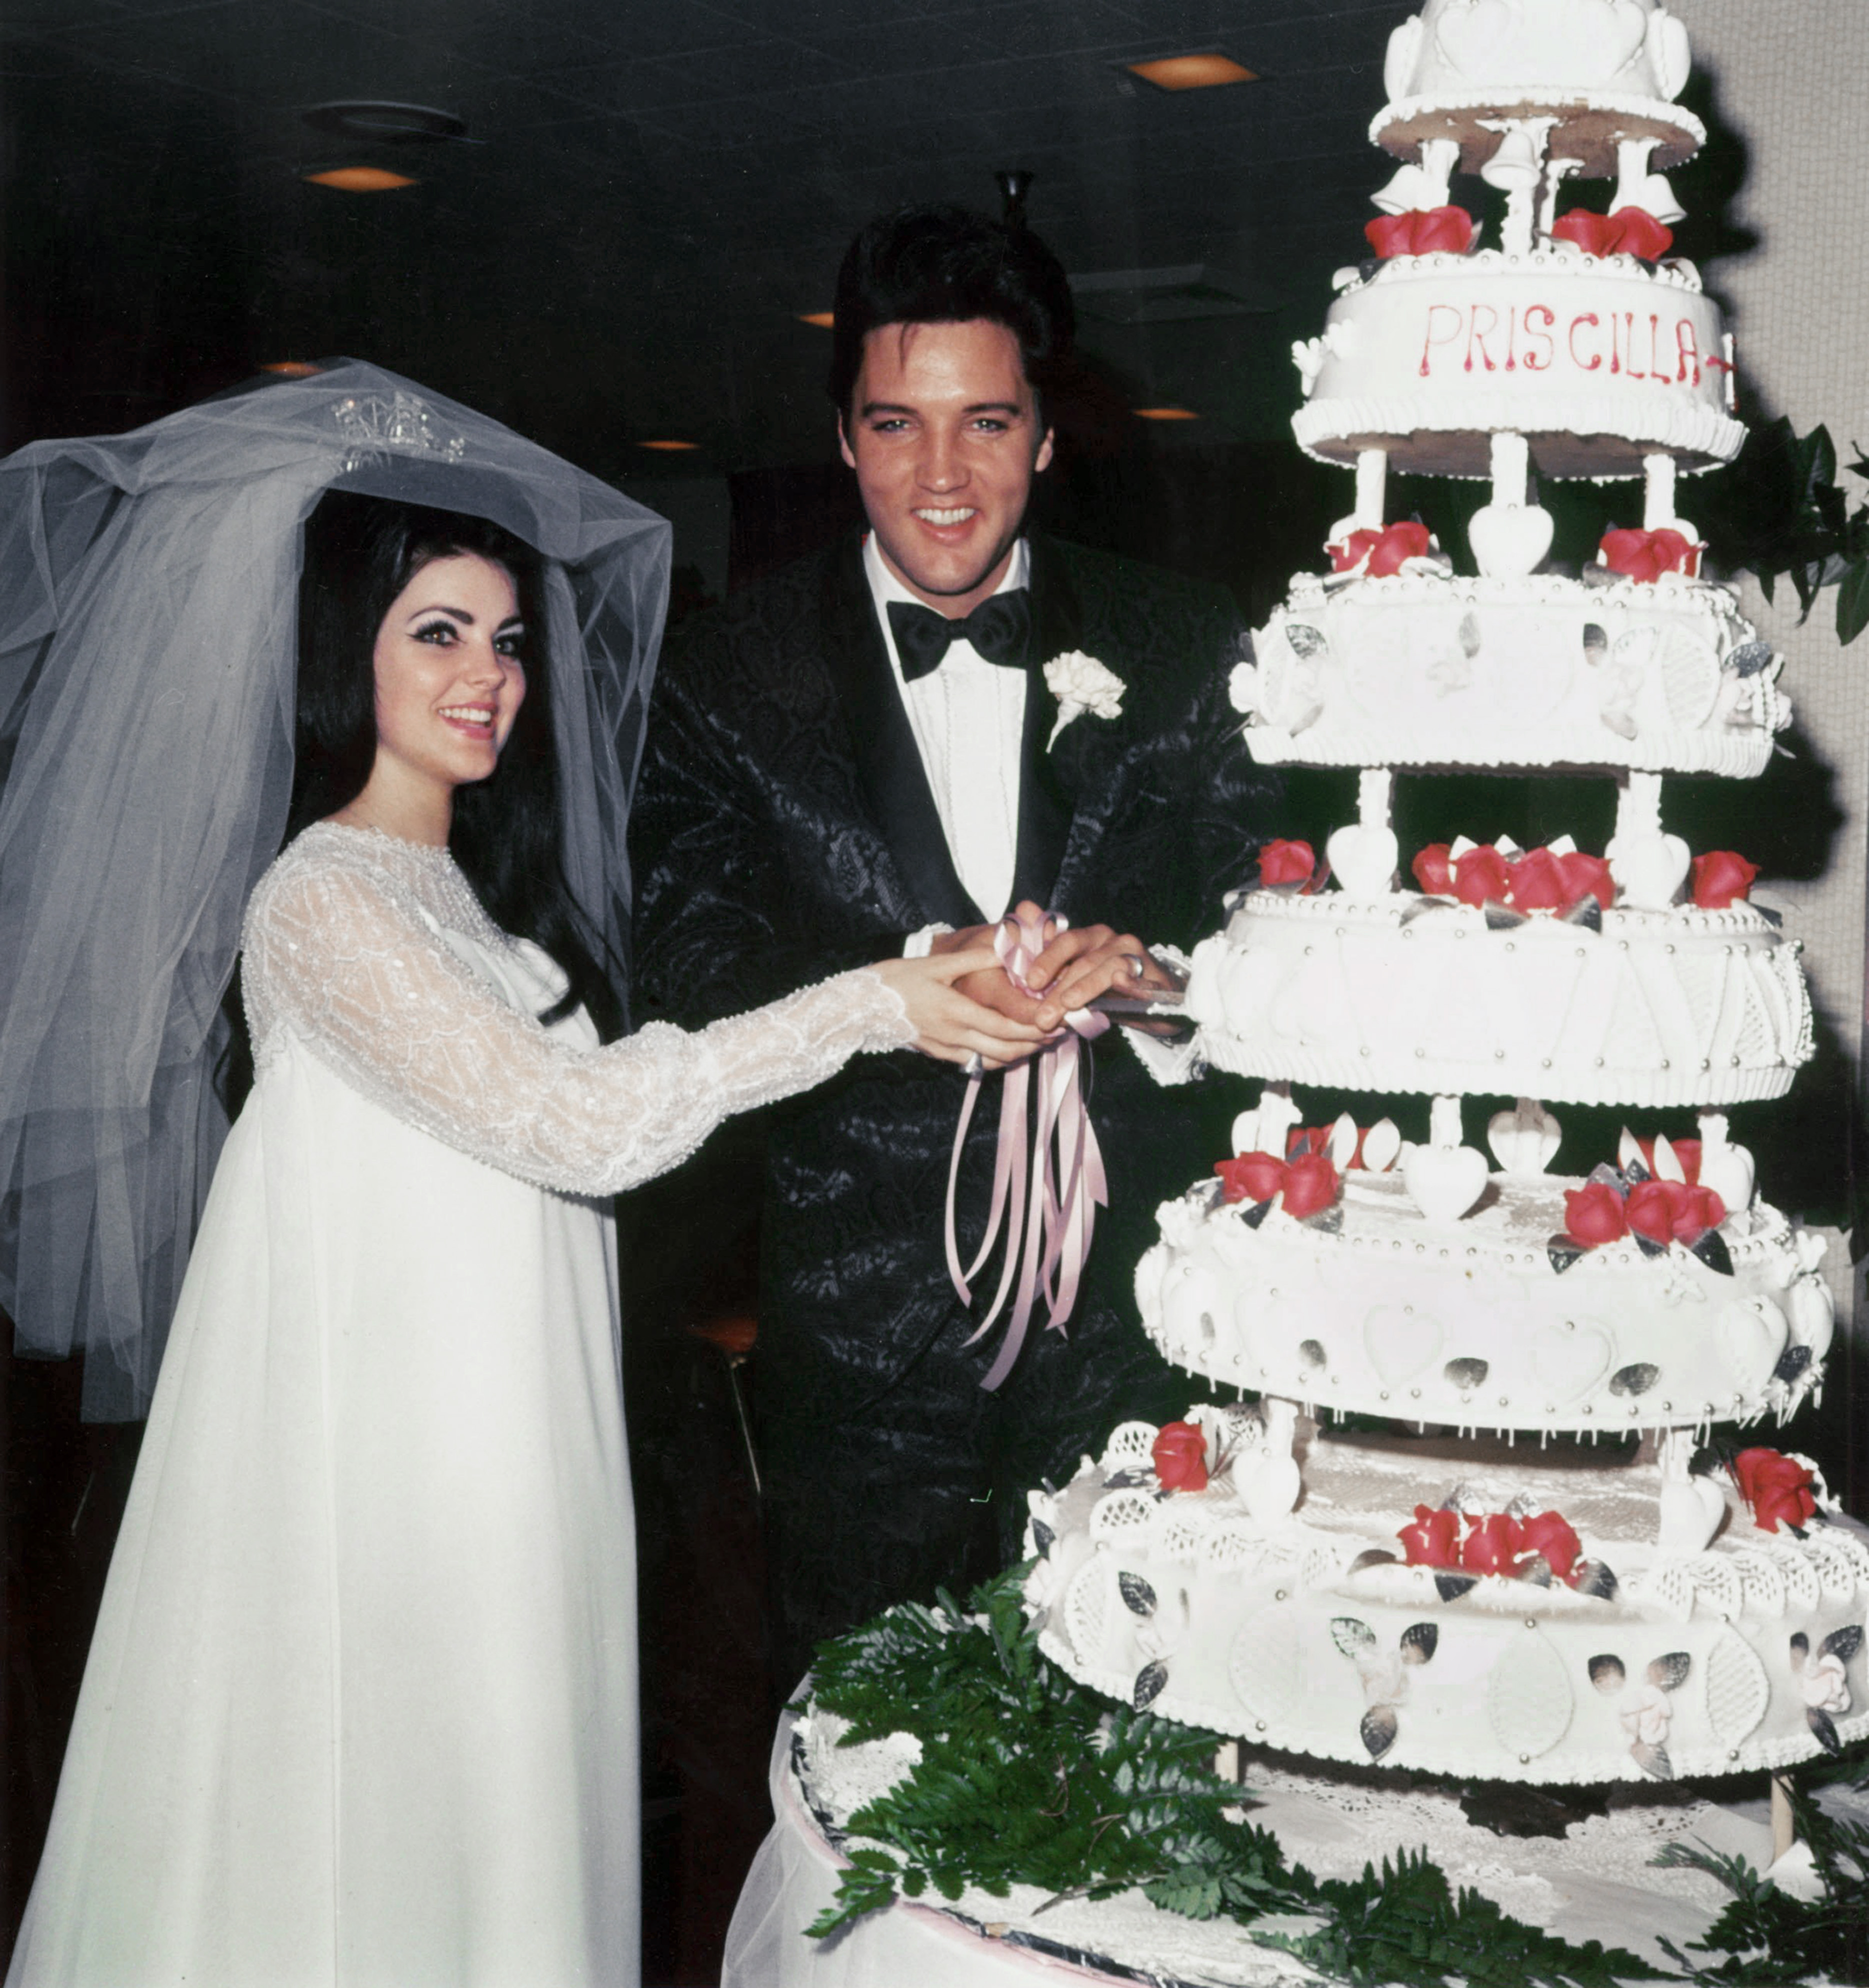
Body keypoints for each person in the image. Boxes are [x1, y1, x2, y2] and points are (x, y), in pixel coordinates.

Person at [0, 365, 1038, 1988]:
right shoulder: (320, 902)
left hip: (509, 1436)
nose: (489, 676)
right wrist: (865, 1004)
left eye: (504, 638)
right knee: (390, 1824)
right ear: (341, 647)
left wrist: (920, 980)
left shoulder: (465, 902)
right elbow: (581, 1128)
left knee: (496, 1815)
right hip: (397, 1476)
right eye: (437, 631)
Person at [629, 204, 1284, 1693]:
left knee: (1141, 1743)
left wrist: (1163, 983)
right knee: (870, 1750)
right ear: (843, 439)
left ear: (1047, 438)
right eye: (896, 426)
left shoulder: (1185, 643)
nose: (941, 478)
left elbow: (1288, 924)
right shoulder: (728, 673)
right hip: (857, 1346)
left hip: (1138, 1335)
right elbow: (691, 963)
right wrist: (900, 984)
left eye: (986, 423)